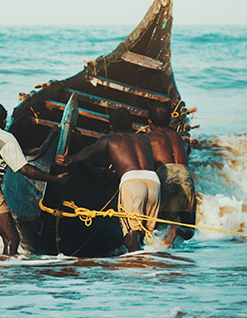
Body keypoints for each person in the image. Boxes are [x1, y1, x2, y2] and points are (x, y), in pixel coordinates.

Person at [0, 103, 68, 259]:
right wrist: (54, 179)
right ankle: (7, 275)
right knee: (12, 238)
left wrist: (22, 151)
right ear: (4, 121)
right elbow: (24, 169)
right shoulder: (6, 137)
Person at [56, 107, 159, 253]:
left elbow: (90, 151)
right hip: (154, 182)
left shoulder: (109, 139)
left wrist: (70, 159)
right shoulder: (144, 139)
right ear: (131, 124)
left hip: (132, 182)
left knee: (131, 236)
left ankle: (138, 271)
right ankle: (149, 268)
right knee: (144, 232)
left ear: (111, 126)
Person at [146, 104, 196, 246]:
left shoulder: (148, 137)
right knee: (189, 229)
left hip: (166, 174)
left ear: (150, 122)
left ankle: (154, 251)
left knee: (158, 224)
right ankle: (176, 231)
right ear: (169, 121)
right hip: (186, 175)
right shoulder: (178, 137)